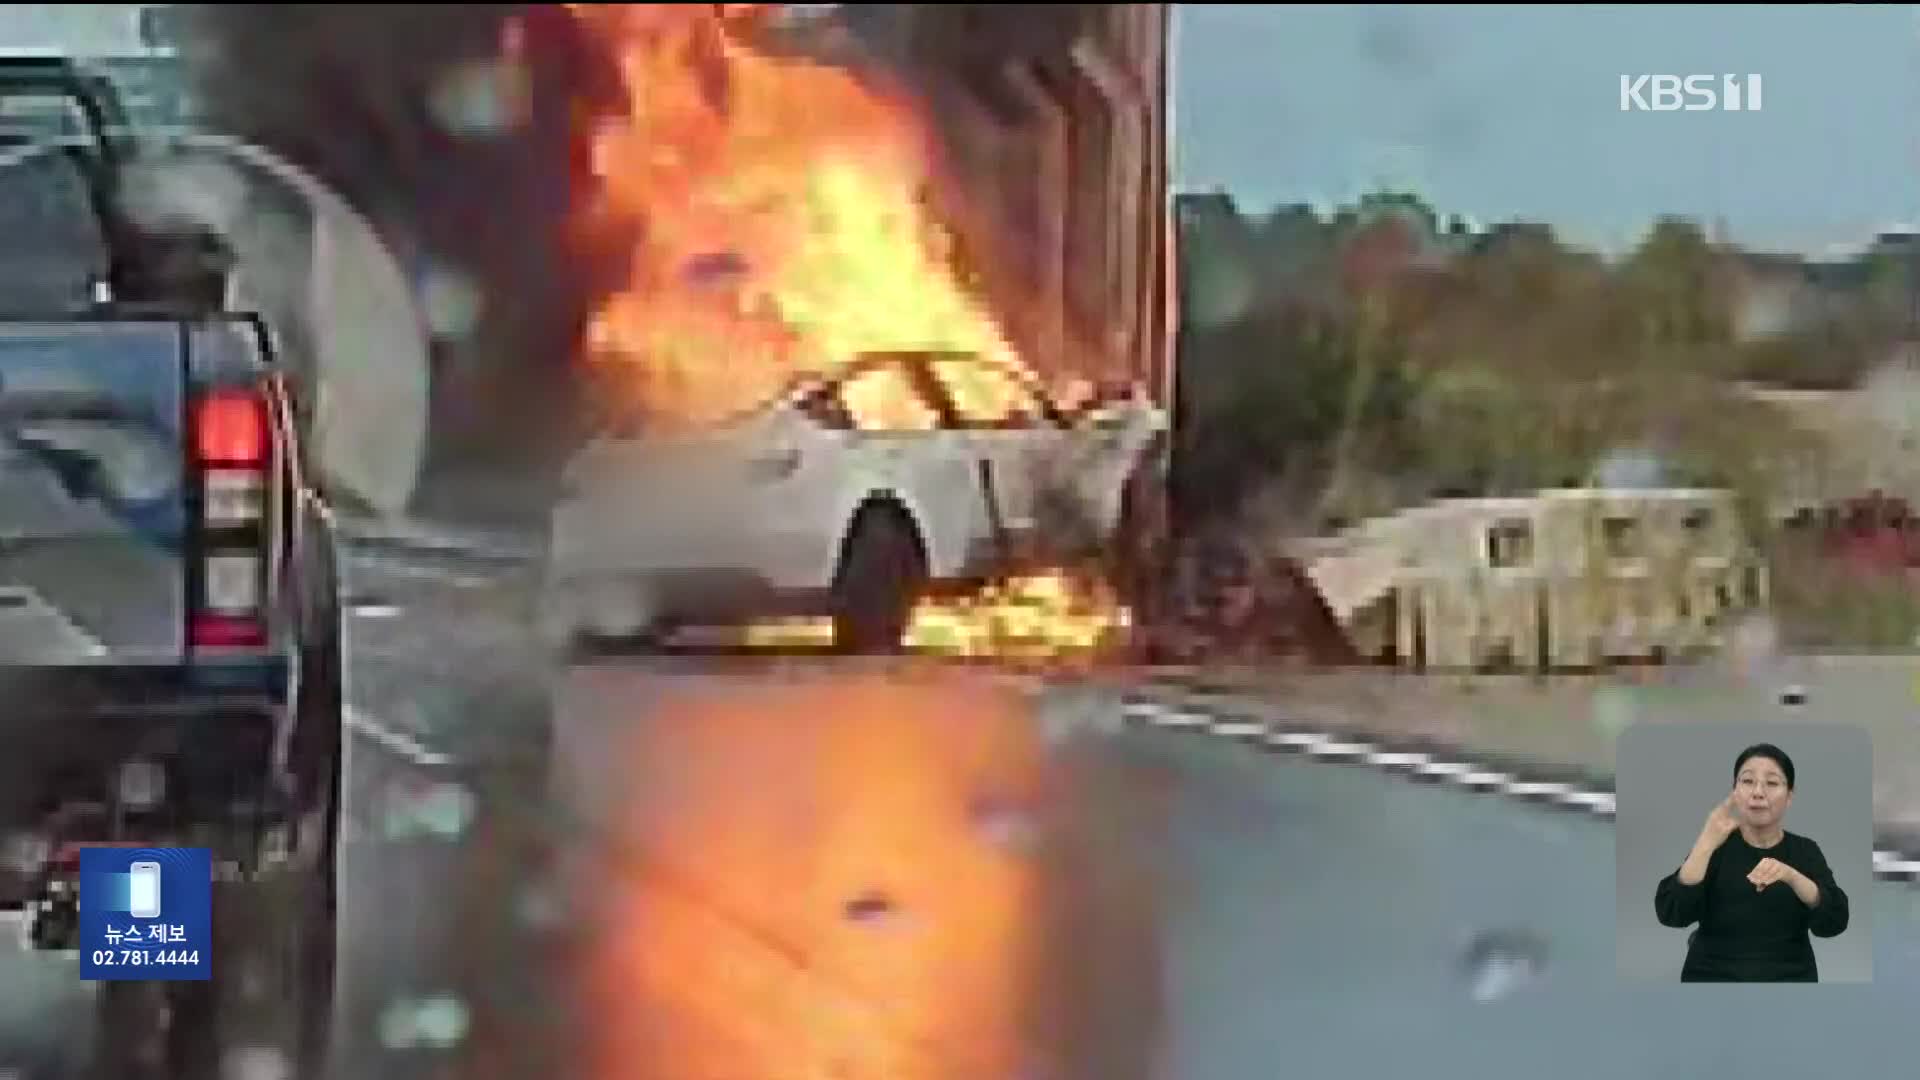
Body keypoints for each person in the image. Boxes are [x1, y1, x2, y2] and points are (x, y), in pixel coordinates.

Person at [1654, 742, 1850, 981]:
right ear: (1735, 792)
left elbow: (1834, 922)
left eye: (1772, 783)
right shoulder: (1715, 846)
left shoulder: (1805, 851)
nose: (1758, 792)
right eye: (1747, 781)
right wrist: (1705, 841)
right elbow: (1672, 914)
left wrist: (1792, 876)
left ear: (1789, 796)